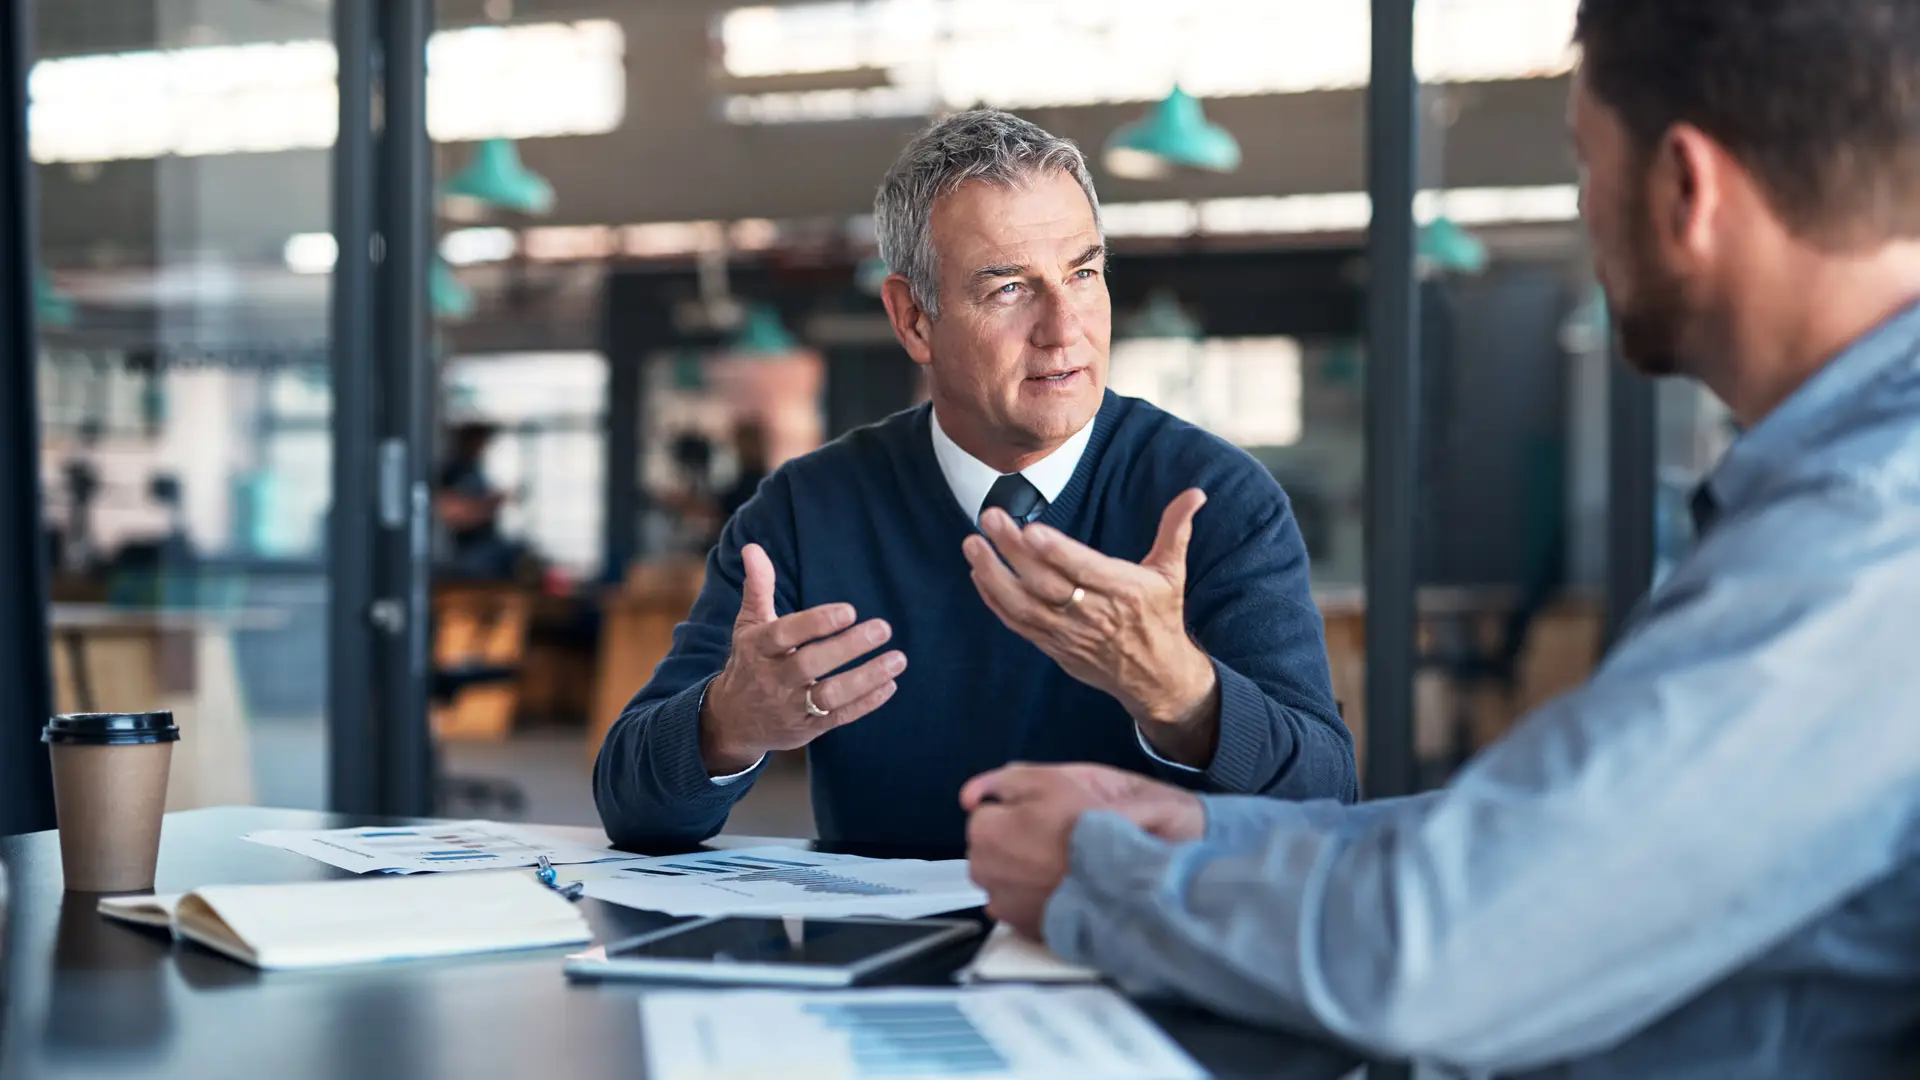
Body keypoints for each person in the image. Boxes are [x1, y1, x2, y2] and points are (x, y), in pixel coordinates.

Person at [962, 0, 1920, 1073]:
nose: (1585, 209)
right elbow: (1548, 845)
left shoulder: (1869, 531)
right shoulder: (1846, 499)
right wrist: (1203, 832)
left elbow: (1442, 951)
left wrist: (1097, 877)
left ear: (1686, 189)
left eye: (1588, 163)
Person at [594, 110, 1355, 849]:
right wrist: (727, 723)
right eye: (1010, 288)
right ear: (913, 320)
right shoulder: (804, 512)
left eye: (1083, 273)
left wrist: (1185, 697)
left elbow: (1326, 801)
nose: (1065, 329)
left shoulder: (1216, 501)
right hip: (879, 936)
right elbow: (631, 806)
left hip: (1130, 928)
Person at [435, 421, 518, 580]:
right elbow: (450, 512)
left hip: (485, 545)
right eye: (481, 442)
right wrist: (491, 503)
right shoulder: (457, 471)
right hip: (468, 552)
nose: (483, 447)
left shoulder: (474, 468)